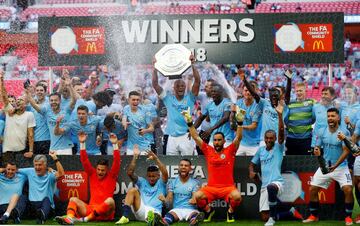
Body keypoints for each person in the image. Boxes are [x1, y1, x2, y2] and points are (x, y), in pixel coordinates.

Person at [183, 106, 244, 223]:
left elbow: (239, 137)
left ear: (224, 141)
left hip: (228, 188)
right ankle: (208, 211)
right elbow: (195, 137)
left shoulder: (230, 150)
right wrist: (190, 123)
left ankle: (230, 212)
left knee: (237, 197)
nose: (217, 142)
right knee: (197, 196)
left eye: (219, 140)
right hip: (211, 188)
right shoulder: (208, 150)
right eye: (215, 140)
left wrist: (240, 123)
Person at [249, 100, 302, 226]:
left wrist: (279, 115)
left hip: (277, 183)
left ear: (274, 139)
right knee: (263, 217)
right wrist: (251, 171)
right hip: (264, 186)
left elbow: (281, 132)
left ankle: (272, 219)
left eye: (271, 138)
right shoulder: (261, 150)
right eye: (267, 138)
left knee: (271, 188)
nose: (268, 140)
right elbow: (251, 164)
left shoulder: (278, 148)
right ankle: (290, 213)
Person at [55, 131, 121, 225]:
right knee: (73, 199)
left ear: (107, 170)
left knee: (110, 201)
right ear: (96, 168)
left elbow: (117, 161)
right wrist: (82, 143)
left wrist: (115, 145)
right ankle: (69, 219)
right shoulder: (92, 173)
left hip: (106, 213)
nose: (100, 172)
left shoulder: (112, 175)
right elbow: (84, 160)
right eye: (98, 169)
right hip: (90, 210)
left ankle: (85, 219)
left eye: (102, 170)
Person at [303, 108, 353, 225]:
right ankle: (314, 216)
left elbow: (346, 152)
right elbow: (318, 147)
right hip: (325, 166)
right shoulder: (322, 131)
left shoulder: (343, 132)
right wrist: (317, 151)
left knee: (348, 189)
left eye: (332, 116)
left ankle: (348, 217)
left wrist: (335, 166)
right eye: (328, 116)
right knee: (312, 189)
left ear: (338, 118)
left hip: (340, 167)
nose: (330, 118)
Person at [152, 55, 200, 155]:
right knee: (171, 163)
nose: (180, 87)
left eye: (182, 86)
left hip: (187, 136)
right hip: (171, 137)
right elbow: (155, 84)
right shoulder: (168, 98)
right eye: (178, 86)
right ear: (174, 88)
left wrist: (193, 64)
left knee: (187, 163)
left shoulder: (190, 98)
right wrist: (155, 67)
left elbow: (197, 82)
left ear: (185, 87)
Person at [115, 146, 168, 225]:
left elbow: (165, 173)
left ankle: (153, 220)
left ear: (158, 176)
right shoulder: (142, 182)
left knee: (155, 216)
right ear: (147, 176)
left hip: (155, 211)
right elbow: (130, 173)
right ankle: (125, 217)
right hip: (141, 209)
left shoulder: (161, 183)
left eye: (153, 176)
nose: (151, 178)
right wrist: (135, 157)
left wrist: (156, 158)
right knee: (133, 190)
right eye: (149, 176)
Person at [27, 77, 77, 155]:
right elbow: (34, 105)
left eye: (56, 100)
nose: (53, 102)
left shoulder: (66, 110)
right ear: (49, 101)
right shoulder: (47, 111)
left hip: (66, 148)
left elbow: (74, 100)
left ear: (60, 101)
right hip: (53, 148)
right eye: (51, 100)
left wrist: (70, 86)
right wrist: (28, 94)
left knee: (66, 167)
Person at [18, 152, 64, 224]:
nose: (37, 167)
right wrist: (3, 169)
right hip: (33, 206)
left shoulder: (50, 174)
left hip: (47, 206)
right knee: (22, 196)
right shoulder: (30, 171)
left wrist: (55, 159)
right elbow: (14, 170)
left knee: (46, 199)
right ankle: (17, 216)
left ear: (45, 165)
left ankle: (42, 217)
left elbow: (61, 174)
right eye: (35, 165)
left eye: (40, 165)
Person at [0, 70, 35, 163]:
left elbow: (31, 134)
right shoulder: (9, 111)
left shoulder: (29, 114)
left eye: (21, 100)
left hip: (22, 149)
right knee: (8, 171)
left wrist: (31, 151)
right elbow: (4, 95)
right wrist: (1, 80)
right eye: (17, 100)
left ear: (25, 104)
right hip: (8, 149)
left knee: (19, 172)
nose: (19, 101)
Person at [157, 159, 203, 226]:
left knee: (194, 215)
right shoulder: (172, 182)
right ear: (178, 167)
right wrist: (164, 200)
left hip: (191, 209)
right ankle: (164, 223)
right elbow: (169, 200)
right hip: (177, 209)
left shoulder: (195, 183)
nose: (183, 167)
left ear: (190, 169)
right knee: (169, 215)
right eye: (181, 165)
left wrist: (194, 200)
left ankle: (194, 221)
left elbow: (195, 197)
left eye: (186, 165)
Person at [285, 82, 316, 155]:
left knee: (305, 162)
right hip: (291, 138)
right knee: (291, 162)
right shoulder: (290, 103)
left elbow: (314, 118)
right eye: (297, 91)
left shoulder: (311, 102)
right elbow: (286, 120)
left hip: (306, 139)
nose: (298, 93)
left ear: (305, 91)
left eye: (300, 91)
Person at [233, 82, 262, 156]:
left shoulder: (257, 106)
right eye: (246, 90)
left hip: (254, 143)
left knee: (254, 166)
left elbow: (253, 126)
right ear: (243, 92)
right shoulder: (239, 103)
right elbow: (240, 120)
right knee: (236, 164)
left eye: (250, 90)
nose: (248, 92)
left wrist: (239, 127)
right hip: (241, 143)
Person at [122, 91, 154, 155]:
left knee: (144, 165)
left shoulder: (145, 110)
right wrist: (124, 123)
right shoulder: (126, 108)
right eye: (133, 100)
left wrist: (145, 130)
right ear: (129, 100)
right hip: (131, 147)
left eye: (137, 100)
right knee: (131, 165)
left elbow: (152, 128)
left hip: (144, 146)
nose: (136, 102)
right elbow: (124, 119)